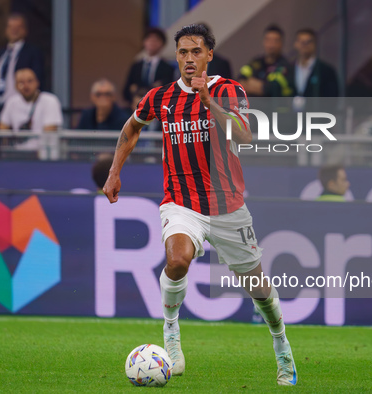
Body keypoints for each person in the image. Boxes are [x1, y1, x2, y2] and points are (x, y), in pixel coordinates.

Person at [102, 24, 297, 386]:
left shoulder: (228, 89)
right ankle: (171, 333)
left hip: (227, 207)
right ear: (176, 56)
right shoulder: (160, 97)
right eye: (182, 52)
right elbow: (131, 127)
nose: (189, 59)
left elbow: (245, 135)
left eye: (196, 51)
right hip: (181, 202)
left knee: (259, 288)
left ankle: (281, 343)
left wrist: (209, 103)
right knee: (177, 260)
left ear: (209, 54)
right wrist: (115, 172)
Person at [0, 13, 44, 126]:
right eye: (11, 27)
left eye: (18, 27)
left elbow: (37, 77)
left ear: (25, 30)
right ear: (6, 30)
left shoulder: (32, 52)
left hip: (21, 106)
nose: (14, 30)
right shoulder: (0, 53)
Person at [0, 68, 63, 160]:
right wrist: (6, 152)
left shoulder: (50, 101)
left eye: (30, 81)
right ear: (15, 86)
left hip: (45, 157)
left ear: (37, 83)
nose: (26, 86)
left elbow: (50, 130)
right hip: (18, 156)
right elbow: (2, 129)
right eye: (21, 82)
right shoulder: (11, 102)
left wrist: (38, 155)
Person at [122, 28, 175, 105]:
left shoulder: (168, 68)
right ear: (144, 42)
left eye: (156, 40)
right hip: (136, 106)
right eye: (149, 39)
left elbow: (171, 91)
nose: (152, 42)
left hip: (158, 107)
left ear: (162, 44)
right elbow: (126, 90)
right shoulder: (136, 66)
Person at [239, 25, 292, 97]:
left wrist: (251, 84)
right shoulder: (256, 62)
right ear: (263, 41)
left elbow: (270, 89)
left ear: (281, 43)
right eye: (268, 40)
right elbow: (239, 81)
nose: (271, 45)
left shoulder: (286, 66)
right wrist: (260, 85)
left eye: (275, 41)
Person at [288, 28, 339, 97]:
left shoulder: (326, 71)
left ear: (314, 45)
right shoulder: (287, 70)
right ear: (295, 44)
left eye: (308, 42)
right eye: (301, 42)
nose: (304, 45)